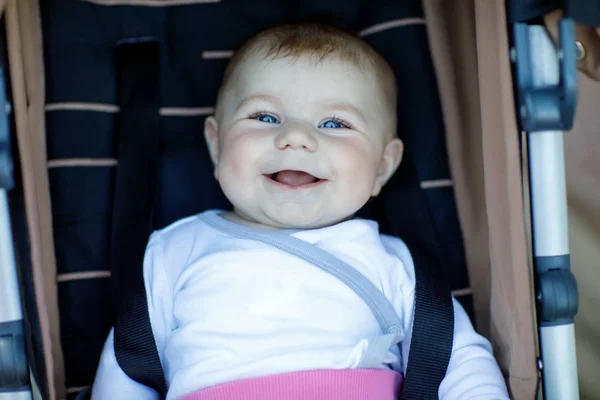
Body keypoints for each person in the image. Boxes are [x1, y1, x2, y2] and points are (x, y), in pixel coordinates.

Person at [91, 23, 510, 400]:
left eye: (334, 124)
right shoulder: (173, 251)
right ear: (216, 146)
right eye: (265, 116)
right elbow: (129, 363)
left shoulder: (392, 263)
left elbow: (458, 359)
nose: (295, 137)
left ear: (382, 167)